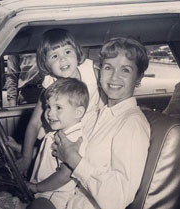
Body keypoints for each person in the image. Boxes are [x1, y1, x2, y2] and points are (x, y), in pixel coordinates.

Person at [50, 37, 151, 209]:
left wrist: (75, 160)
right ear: (99, 72)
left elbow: (119, 198)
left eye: (125, 70)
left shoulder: (132, 124)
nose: (114, 77)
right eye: (108, 67)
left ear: (138, 78)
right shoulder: (95, 115)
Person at [13, 28, 105, 174]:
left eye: (68, 52)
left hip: (93, 133)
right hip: (64, 134)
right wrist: (26, 157)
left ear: (77, 52)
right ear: (46, 64)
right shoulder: (50, 84)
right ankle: (31, 152)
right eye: (54, 56)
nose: (63, 59)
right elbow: (35, 123)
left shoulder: (92, 72)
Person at [25, 77, 89, 209]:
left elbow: (64, 175)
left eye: (58, 107)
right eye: (48, 107)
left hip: (54, 194)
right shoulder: (58, 132)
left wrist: (37, 187)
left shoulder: (73, 139)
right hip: (43, 190)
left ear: (78, 112)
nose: (49, 113)